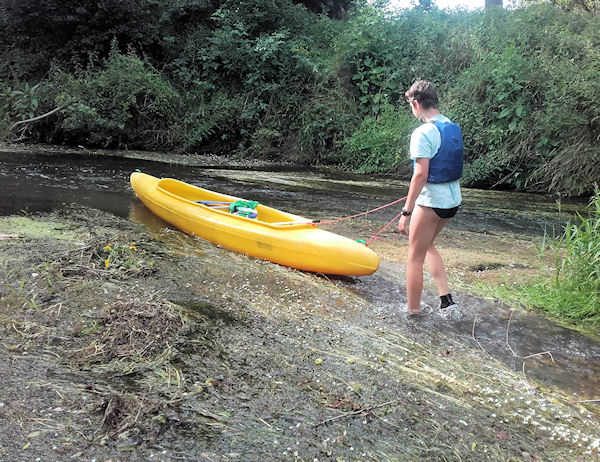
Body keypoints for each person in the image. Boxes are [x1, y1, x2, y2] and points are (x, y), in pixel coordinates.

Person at [398, 80, 463, 315]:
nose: (412, 110)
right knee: (426, 245)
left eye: (410, 106)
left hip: (432, 204)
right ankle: (446, 299)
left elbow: (420, 174)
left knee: (414, 257)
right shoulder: (452, 127)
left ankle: (412, 312)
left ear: (416, 103)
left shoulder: (423, 132)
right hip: (452, 202)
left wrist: (406, 212)